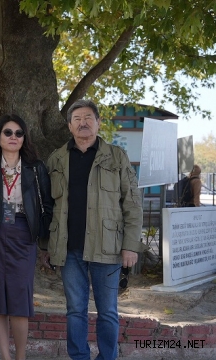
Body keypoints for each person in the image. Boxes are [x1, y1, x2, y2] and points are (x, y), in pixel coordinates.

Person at [42, 99, 146, 360]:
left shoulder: (117, 157)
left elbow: (133, 203)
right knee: (75, 310)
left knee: (108, 311)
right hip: (69, 249)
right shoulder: (56, 158)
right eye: (77, 118)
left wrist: (130, 245)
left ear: (99, 122)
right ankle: (79, 357)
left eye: (88, 117)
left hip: (108, 248)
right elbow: (46, 206)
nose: (83, 122)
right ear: (69, 125)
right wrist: (46, 246)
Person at [0, 114, 53, 360]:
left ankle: (20, 357)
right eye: (7, 132)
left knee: (20, 297)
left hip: (24, 233)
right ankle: (5, 357)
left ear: (24, 138)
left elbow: (47, 206)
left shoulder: (36, 168)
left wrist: (44, 242)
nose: (13, 137)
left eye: (19, 133)